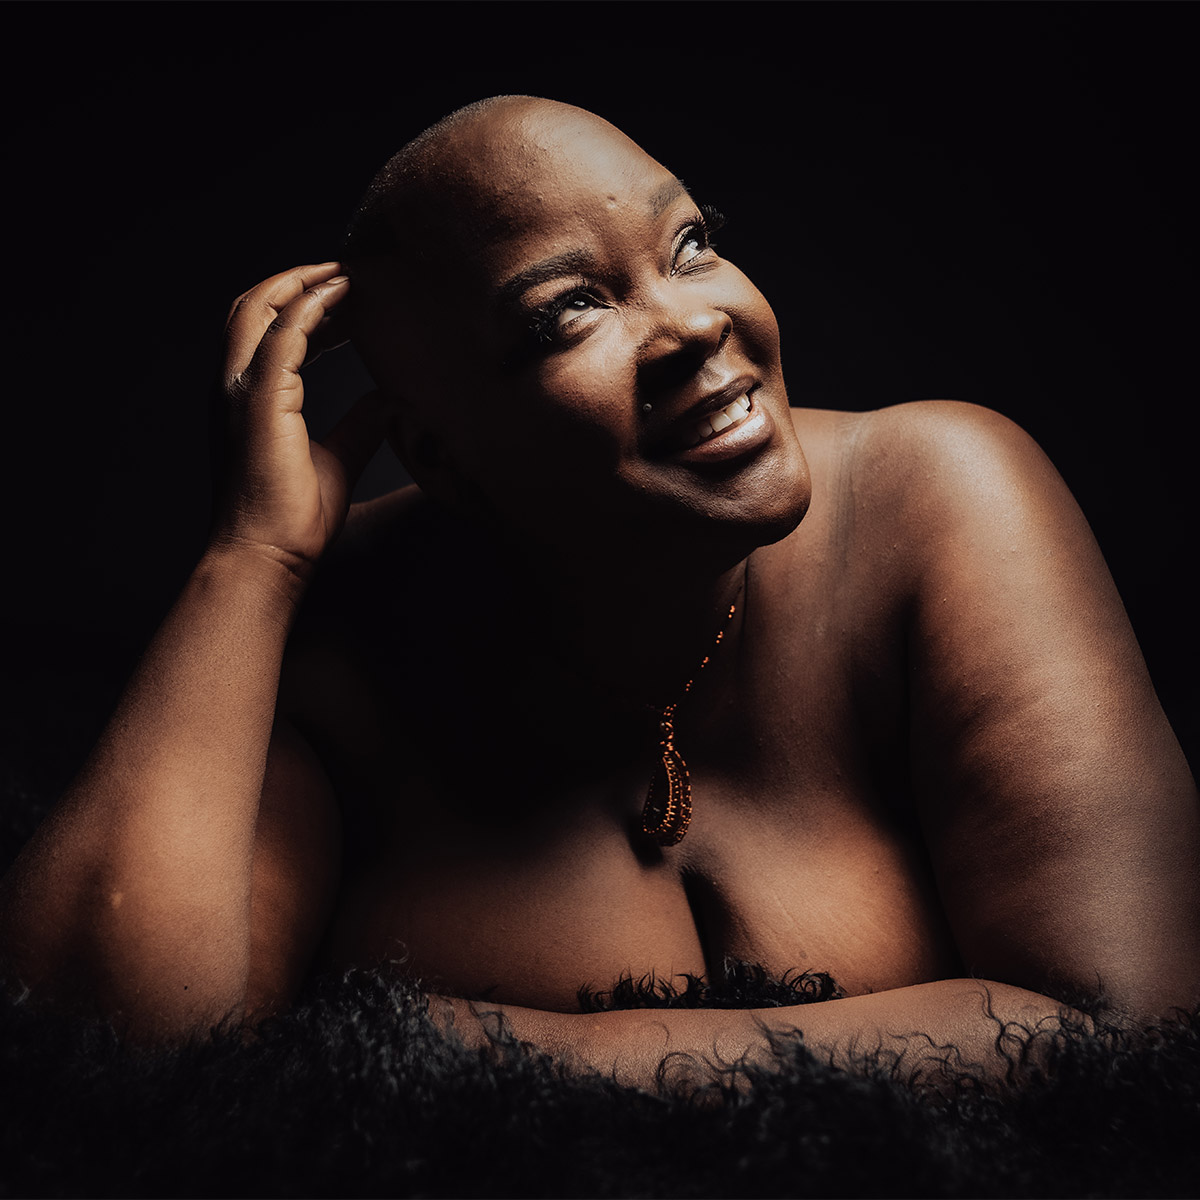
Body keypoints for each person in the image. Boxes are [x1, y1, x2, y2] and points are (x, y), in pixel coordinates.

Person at [1, 96, 1196, 1090]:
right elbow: (102, 1063)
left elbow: (1132, 1033)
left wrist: (472, 1052)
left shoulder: (943, 495)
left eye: (690, 245)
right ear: (439, 457)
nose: (696, 324)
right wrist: (249, 564)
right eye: (568, 309)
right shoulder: (338, 644)